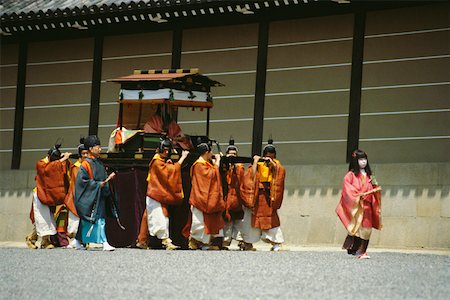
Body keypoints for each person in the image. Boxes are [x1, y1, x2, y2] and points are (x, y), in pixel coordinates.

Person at [240, 139, 286, 251]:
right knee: (250, 220)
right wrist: (255, 163)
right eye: (267, 155)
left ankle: (276, 243)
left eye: (272, 155)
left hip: (269, 197)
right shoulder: (258, 164)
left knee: (271, 219)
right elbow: (249, 177)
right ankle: (247, 243)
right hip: (256, 196)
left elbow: (280, 173)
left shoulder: (276, 165)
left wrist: (272, 165)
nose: (269, 157)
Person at [335, 149, 382, 259]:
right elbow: (347, 189)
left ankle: (363, 251)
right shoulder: (350, 175)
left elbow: (375, 186)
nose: (363, 162)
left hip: (367, 205)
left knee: (367, 228)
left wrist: (375, 189)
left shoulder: (370, 176)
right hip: (356, 205)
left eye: (365, 159)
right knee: (356, 227)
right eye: (361, 159)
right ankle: (356, 248)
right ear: (355, 161)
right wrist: (357, 194)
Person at [74, 135, 118, 251]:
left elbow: (102, 178)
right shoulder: (85, 164)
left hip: (99, 195)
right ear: (90, 149)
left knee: (97, 219)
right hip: (91, 196)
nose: (100, 149)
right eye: (97, 147)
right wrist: (97, 185)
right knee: (96, 220)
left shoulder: (98, 163)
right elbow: (82, 182)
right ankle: (104, 242)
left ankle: (78, 240)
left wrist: (107, 180)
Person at [144, 138, 189, 250]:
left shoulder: (160, 161)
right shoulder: (157, 162)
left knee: (154, 217)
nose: (167, 152)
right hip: (155, 194)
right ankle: (166, 241)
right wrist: (182, 158)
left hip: (157, 194)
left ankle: (143, 240)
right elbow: (171, 171)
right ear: (159, 149)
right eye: (164, 150)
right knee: (160, 217)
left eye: (168, 150)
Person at [26, 143, 71, 249]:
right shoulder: (41, 164)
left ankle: (37, 240)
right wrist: (61, 160)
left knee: (48, 219)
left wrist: (64, 160)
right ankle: (38, 240)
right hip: (40, 194)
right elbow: (48, 169)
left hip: (50, 195)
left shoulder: (54, 162)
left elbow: (59, 170)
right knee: (42, 218)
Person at [188, 142, 225, 250]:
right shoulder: (199, 164)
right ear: (206, 152)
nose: (212, 153)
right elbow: (209, 176)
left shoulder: (206, 164)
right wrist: (217, 163)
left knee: (207, 222)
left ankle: (205, 244)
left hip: (206, 198)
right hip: (200, 198)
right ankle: (195, 241)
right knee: (199, 223)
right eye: (211, 151)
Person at [64, 139, 89, 249]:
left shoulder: (87, 165)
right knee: (74, 221)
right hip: (76, 196)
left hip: (85, 197)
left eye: (87, 153)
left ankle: (83, 241)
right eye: (83, 153)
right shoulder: (76, 167)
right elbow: (76, 184)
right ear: (79, 155)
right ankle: (73, 240)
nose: (85, 155)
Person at [221, 139, 245, 250]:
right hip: (226, 197)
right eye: (230, 154)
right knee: (227, 221)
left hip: (237, 197)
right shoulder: (223, 166)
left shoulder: (240, 167)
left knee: (239, 221)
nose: (232, 156)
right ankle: (225, 243)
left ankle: (241, 241)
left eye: (234, 154)